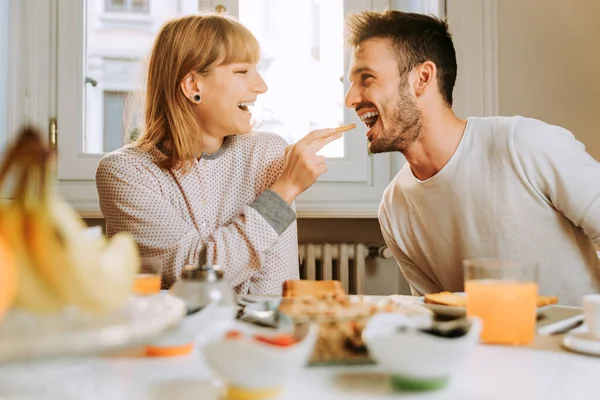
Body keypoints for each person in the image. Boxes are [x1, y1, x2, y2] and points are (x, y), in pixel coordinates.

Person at [344, 10, 600, 305]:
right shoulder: (394, 207)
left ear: (422, 78)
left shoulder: (524, 144)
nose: (350, 99)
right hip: (485, 350)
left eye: (366, 78)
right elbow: (441, 317)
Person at [96, 13, 342, 295]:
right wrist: (284, 191)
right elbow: (195, 275)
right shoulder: (125, 172)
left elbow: (273, 292)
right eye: (242, 71)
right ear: (193, 86)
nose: (261, 85)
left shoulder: (267, 154)